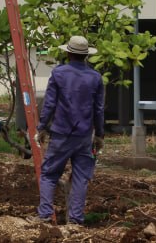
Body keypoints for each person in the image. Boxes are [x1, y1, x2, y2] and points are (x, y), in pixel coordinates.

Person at [37, 35, 105, 225]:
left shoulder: (58, 73)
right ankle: (75, 221)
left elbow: (49, 104)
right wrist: (100, 135)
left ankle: (44, 216)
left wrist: (42, 127)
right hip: (84, 136)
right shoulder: (95, 77)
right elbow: (98, 109)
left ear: (68, 53)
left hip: (61, 133)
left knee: (49, 174)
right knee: (81, 178)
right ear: (86, 56)